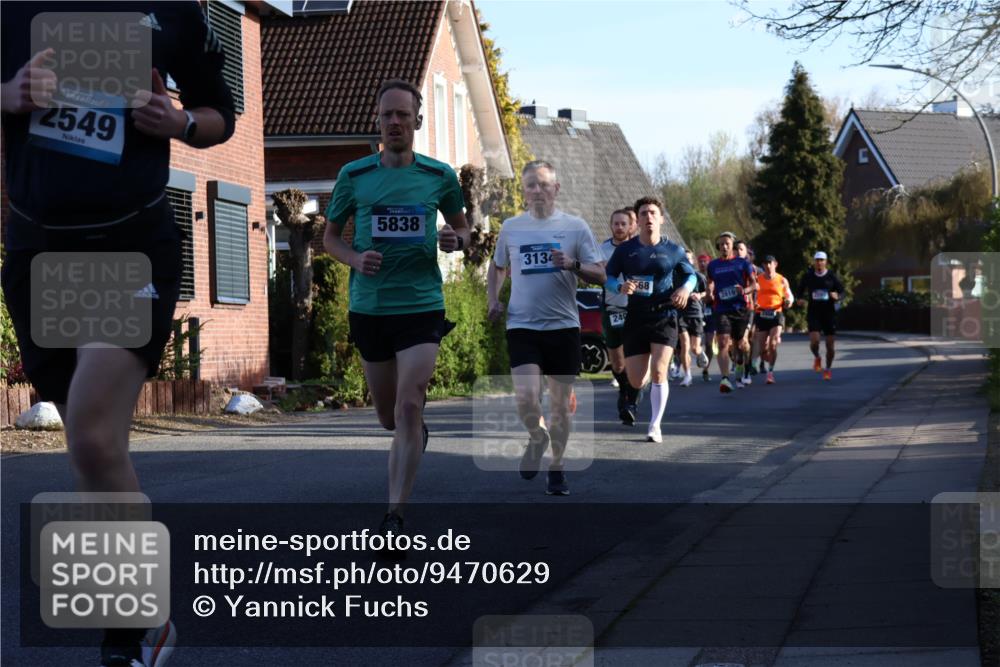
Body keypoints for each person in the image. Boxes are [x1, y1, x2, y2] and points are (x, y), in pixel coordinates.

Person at [1, 3, 236, 665]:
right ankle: (138, 621)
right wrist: (9, 94)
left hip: (130, 246)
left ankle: (134, 629)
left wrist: (179, 121)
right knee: (94, 450)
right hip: (39, 252)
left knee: (93, 434)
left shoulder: (173, 11)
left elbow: (221, 113)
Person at [324, 79, 469, 545]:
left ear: (417, 121)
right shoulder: (354, 175)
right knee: (389, 417)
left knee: (410, 403)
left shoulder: (439, 176)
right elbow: (329, 238)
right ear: (377, 120)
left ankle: (394, 516)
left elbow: (464, 228)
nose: (394, 122)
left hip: (421, 305)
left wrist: (456, 239)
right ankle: (411, 432)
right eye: (387, 114)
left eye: (403, 114)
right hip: (370, 308)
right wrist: (354, 258)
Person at [487, 160, 604, 495]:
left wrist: (573, 264)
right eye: (531, 185)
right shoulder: (511, 227)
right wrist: (493, 299)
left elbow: (600, 274)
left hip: (563, 326)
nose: (537, 191)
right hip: (522, 324)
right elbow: (498, 267)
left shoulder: (575, 227)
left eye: (543, 184)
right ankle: (537, 437)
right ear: (524, 191)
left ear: (556, 188)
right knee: (526, 398)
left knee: (560, 406)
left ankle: (557, 467)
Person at [605, 196, 695, 443]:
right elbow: (609, 277)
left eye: (653, 213)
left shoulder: (673, 250)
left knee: (659, 371)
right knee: (636, 379)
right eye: (643, 213)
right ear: (637, 220)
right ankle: (640, 387)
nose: (649, 217)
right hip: (636, 316)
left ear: (661, 219)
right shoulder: (625, 250)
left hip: (664, 315)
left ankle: (655, 425)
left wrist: (685, 289)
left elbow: (692, 276)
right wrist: (620, 286)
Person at [599, 208, 640, 424]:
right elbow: (596, 276)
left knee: (635, 357)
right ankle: (624, 389)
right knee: (617, 363)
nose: (620, 227)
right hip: (612, 308)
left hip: (635, 309)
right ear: (611, 225)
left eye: (624, 223)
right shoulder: (602, 249)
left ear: (631, 226)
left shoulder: (639, 248)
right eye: (616, 223)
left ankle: (630, 400)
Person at [706, 232, 757, 393]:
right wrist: (709, 292)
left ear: (732, 246)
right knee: (722, 342)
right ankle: (725, 378)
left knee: (740, 345)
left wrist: (744, 290)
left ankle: (741, 365)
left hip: (740, 309)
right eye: (721, 244)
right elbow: (710, 282)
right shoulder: (713, 265)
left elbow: (755, 285)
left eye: (727, 243)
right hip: (721, 308)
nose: (724, 246)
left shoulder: (743, 263)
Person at [797, 251, 845, 380]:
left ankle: (828, 369)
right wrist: (799, 299)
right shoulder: (808, 276)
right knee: (815, 341)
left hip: (829, 314)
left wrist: (837, 296)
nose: (819, 262)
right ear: (814, 262)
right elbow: (800, 290)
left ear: (826, 262)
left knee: (830, 346)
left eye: (821, 260)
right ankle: (817, 357)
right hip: (814, 312)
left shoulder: (831, 276)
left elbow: (842, 292)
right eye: (817, 260)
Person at [753, 255, 794, 384]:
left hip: (776, 313)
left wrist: (788, 302)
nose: (768, 265)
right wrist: (754, 304)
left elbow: (789, 296)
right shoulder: (758, 279)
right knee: (762, 349)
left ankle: (770, 373)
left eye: (770, 263)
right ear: (763, 265)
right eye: (765, 263)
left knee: (773, 343)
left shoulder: (782, 280)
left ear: (775, 264)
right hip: (761, 314)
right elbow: (753, 295)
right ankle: (767, 357)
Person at [677, 249, 709, 387]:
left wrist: (699, 295)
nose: (687, 261)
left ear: (693, 261)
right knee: (685, 345)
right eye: (684, 258)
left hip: (696, 313)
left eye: (689, 258)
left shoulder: (698, 276)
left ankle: (700, 352)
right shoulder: (676, 276)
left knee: (695, 348)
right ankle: (687, 375)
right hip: (681, 313)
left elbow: (707, 292)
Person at [697, 253, 716, 382]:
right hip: (698, 312)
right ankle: (700, 357)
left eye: (705, 261)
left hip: (711, 313)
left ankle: (706, 369)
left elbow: (714, 295)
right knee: (696, 344)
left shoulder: (714, 276)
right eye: (701, 261)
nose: (703, 264)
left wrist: (710, 296)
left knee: (709, 343)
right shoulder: (695, 276)